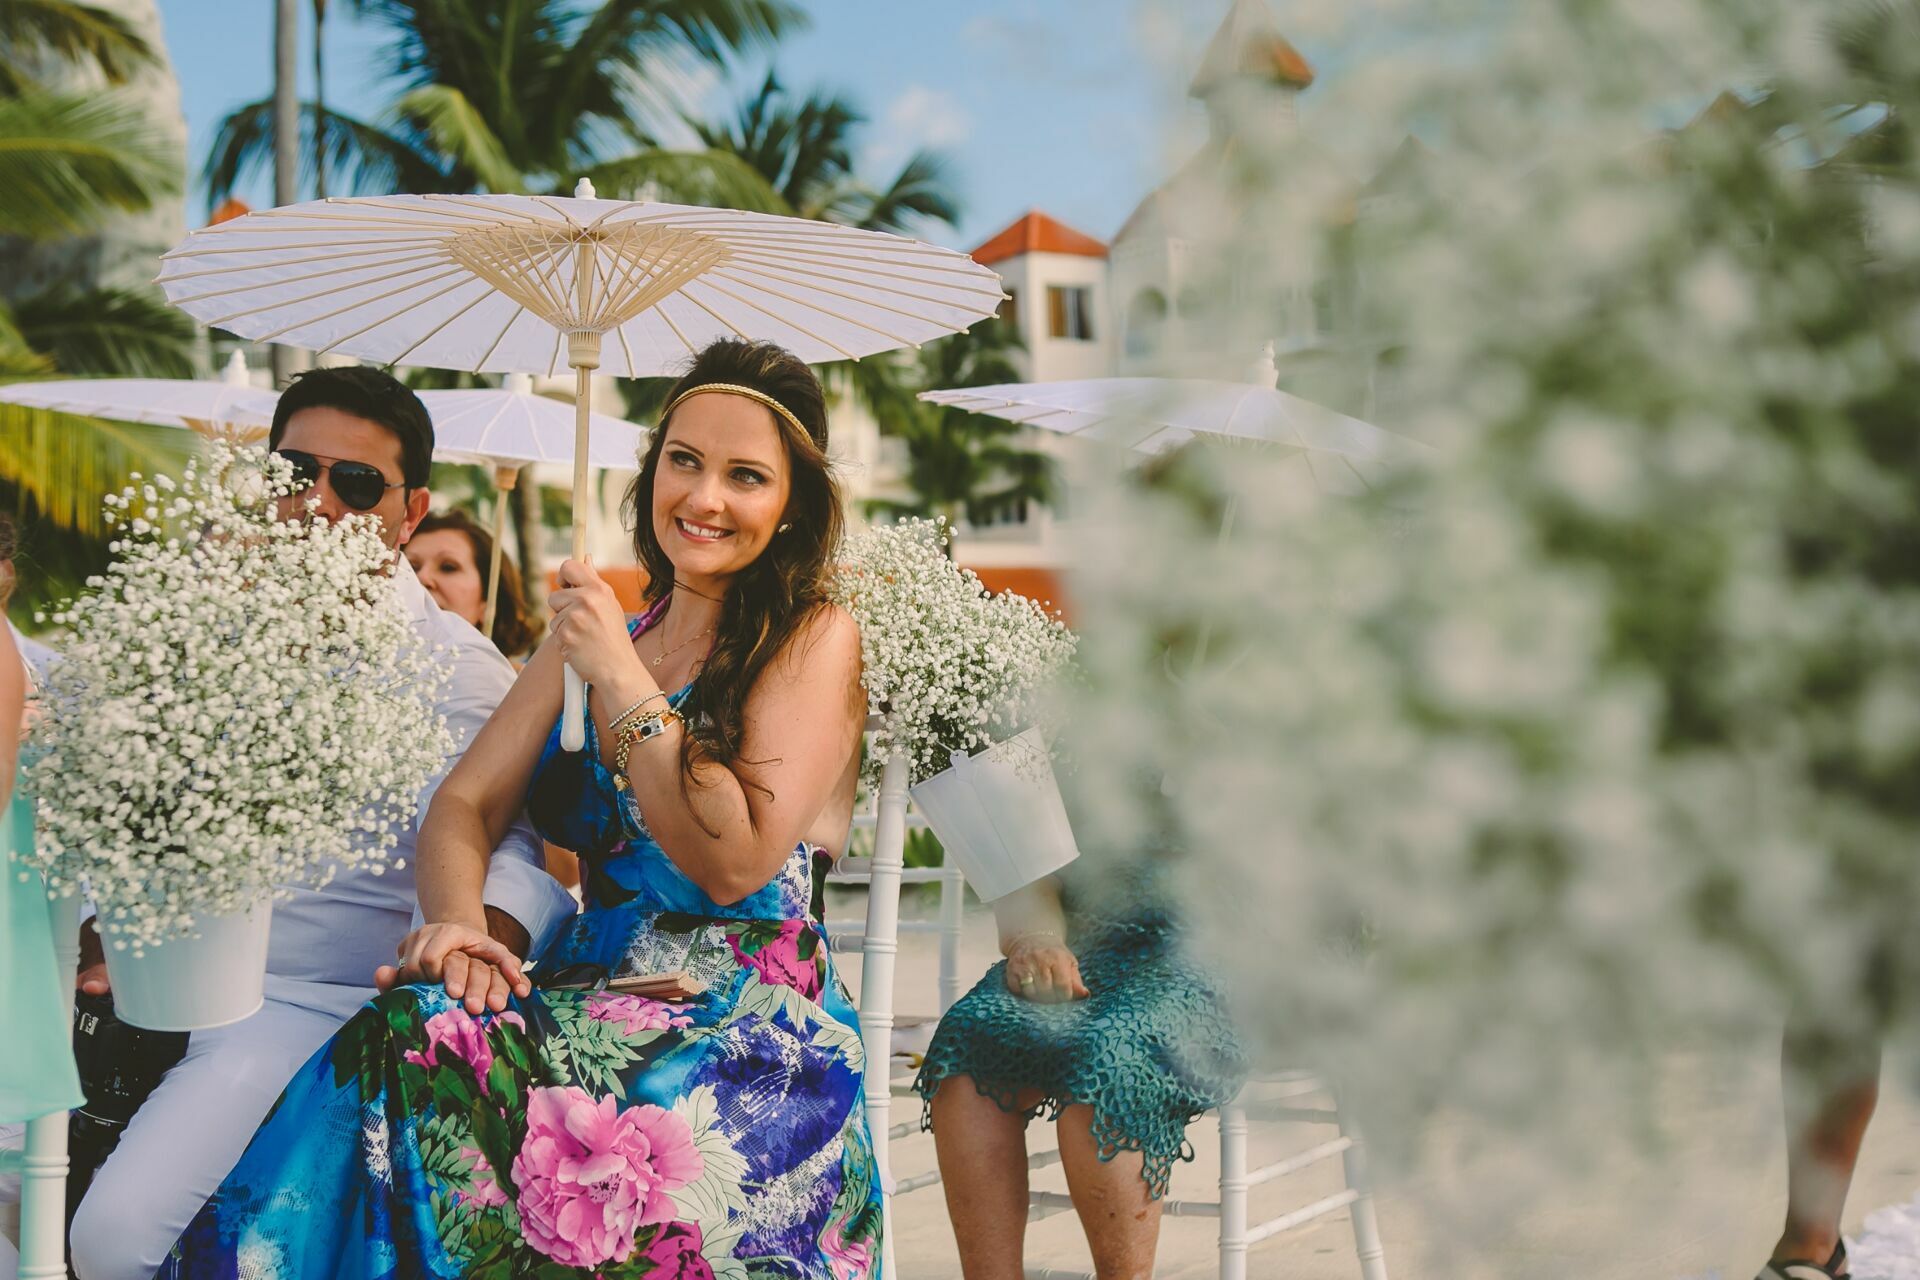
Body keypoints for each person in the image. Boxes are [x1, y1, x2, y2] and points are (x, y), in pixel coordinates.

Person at [160, 338, 882, 1279]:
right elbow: (463, 804)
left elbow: (732, 861)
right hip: (591, 982)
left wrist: (622, 681)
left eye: (746, 476)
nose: (704, 499)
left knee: (423, 1049)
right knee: (425, 1017)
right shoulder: (599, 632)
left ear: (791, 508)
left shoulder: (812, 636)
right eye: (685, 461)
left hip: (745, 1024)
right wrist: (458, 930)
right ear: (652, 467)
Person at [58, 366, 578, 1280]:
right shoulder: (196, 628)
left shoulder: (454, 669)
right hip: (153, 978)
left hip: (305, 1006)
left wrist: (469, 940)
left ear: (410, 512)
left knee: (111, 1240)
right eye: (294, 472)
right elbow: (127, 806)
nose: (318, 502)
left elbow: (518, 851)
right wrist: (106, 921)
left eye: (358, 483)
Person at [915, 854, 1246, 1280]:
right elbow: (1023, 852)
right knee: (968, 1040)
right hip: (1091, 941)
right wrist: (1035, 936)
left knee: (1109, 1061)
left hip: (1230, 949)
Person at [406, 507, 540, 662]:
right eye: (411, 567)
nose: (422, 577)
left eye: (448, 567)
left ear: (489, 601)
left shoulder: (519, 684)